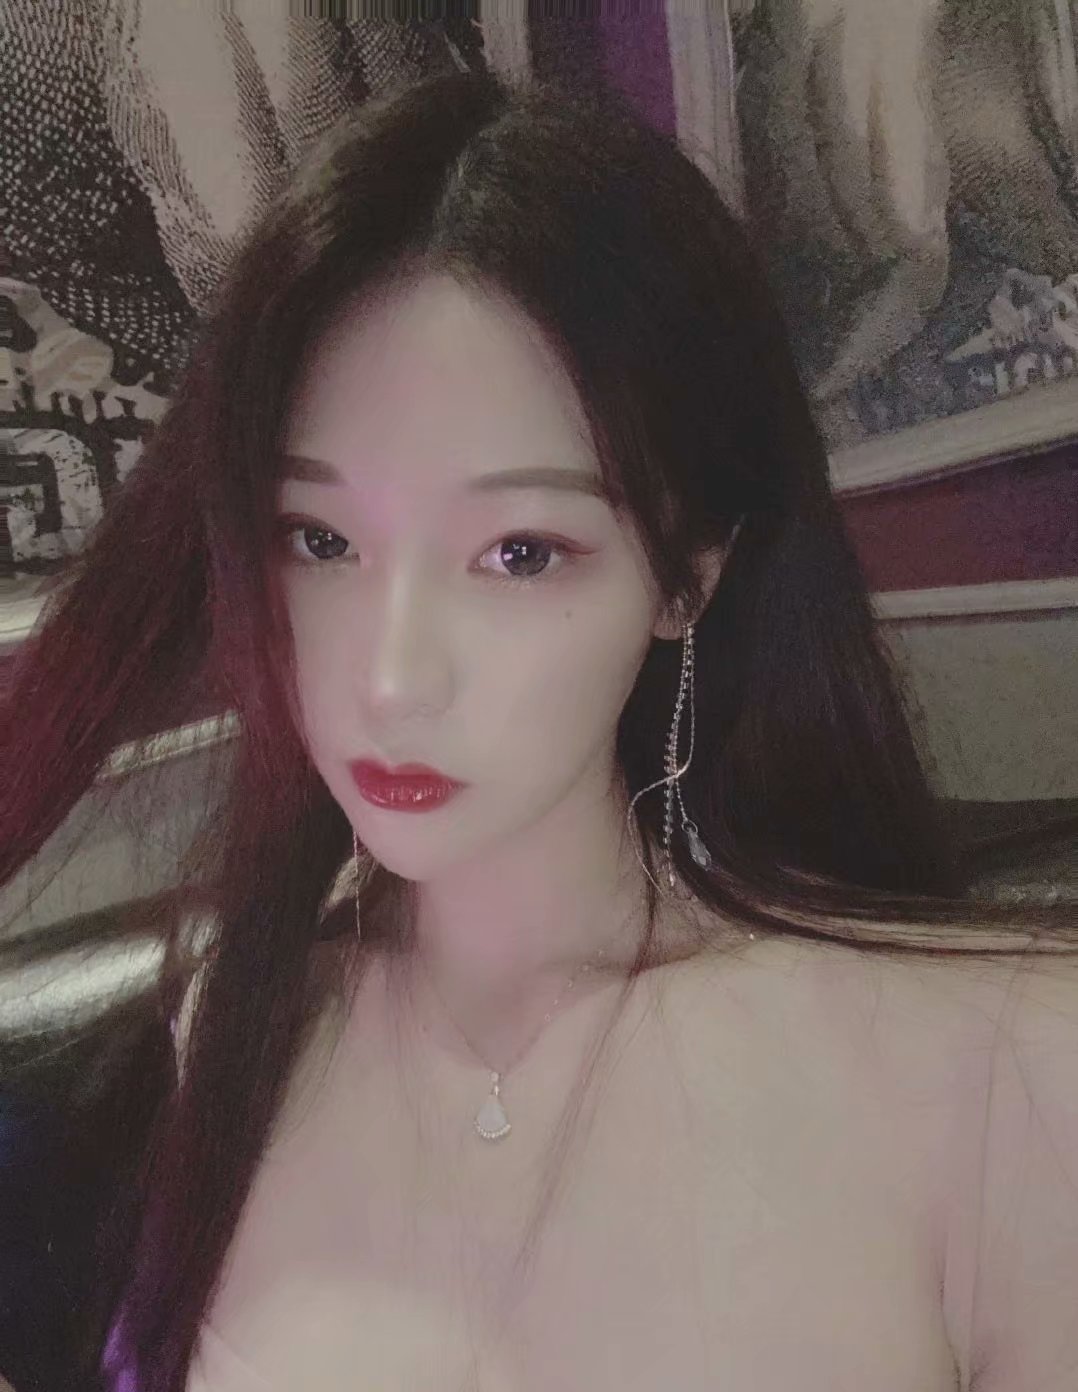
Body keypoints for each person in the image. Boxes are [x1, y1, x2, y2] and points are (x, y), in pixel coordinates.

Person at [0, 67, 1076, 1392]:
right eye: (320, 539)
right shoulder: (217, 1046)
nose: (392, 679)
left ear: (685, 576)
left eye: (519, 553)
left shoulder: (1004, 1072)